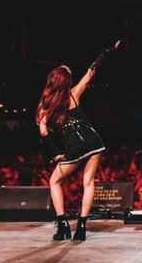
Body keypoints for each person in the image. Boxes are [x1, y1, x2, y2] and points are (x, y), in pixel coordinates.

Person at [36, 39, 121, 241]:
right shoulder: (74, 94)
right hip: (94, 140)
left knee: (54, 181)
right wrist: (106, 51)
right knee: (88, 182)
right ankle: (81, 227)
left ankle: (63, 225)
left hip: (74, 146)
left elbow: (43, 131)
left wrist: (56, 152)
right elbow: (91, 72)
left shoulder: (46, 105)